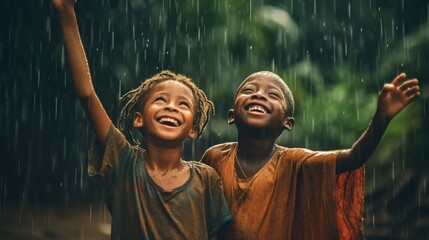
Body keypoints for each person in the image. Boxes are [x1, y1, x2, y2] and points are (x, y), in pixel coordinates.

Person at [52, 0, 232, 239]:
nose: (171, 107)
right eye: (161, 100)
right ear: (138, 119)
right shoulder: (123, 161)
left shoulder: (206, 179)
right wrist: (66, 12)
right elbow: (86, 94)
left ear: (193, 129)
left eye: (183, 104)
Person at [201, 71, 420, 239]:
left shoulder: (295, 162)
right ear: (231, 115)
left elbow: (355, 156)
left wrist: (381, 117)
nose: (258, 95)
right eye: (249, 91)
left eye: (273, 95)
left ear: (288, 123)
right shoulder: (215, 158)